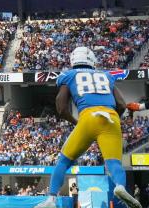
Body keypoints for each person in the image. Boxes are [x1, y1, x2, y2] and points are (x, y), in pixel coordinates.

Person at [36, 47, 140, 208]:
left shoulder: (68, 75)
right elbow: (121, 104)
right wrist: (113, 121)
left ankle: (51, 199)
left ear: (73, 60)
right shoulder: (105, 75)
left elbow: (61, 107)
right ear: (92, 60)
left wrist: (77, 122)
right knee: (114, 163)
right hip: (111, 118)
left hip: (88, 116)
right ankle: (120, 186)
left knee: (63, 161)